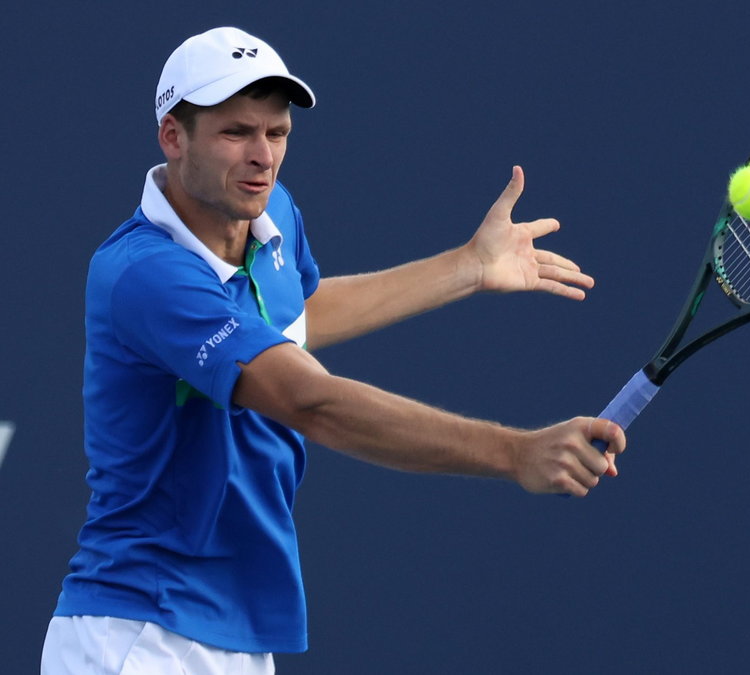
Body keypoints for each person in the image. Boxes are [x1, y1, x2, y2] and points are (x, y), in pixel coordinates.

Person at [42, 26, 626, 674]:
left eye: (277, 132)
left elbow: (292, 318)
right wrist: (514, 452)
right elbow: (308, 400)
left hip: (234, 631)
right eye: (236, 132)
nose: (262, 156)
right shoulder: (145, 274)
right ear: (173, 136)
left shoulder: (273, 214)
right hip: (140, 632)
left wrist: (466, 266)